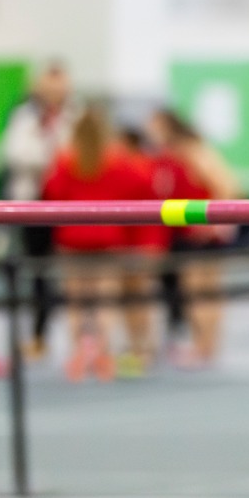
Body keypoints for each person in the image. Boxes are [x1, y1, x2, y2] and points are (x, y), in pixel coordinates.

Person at [41, 104, 157, 382]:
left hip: (73, 243)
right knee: (105, 303)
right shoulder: (119, 163)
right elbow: (142, 189)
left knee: (76, 304)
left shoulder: (66, 162)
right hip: (106, 243)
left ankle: (78, 356)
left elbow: (51, 193)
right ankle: (102, 356)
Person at [148, 108, 243, 367]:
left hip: (201, 234)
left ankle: (205, 347)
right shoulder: (171, 155)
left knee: (201, 291)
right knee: (202, 292)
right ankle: (205, 346)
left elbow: (229, 185)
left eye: (154, 126)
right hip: (187, 231)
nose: (150, 131)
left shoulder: (194, 151)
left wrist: (215, 222)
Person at [2, 61, 76, 360]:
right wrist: (51, 157)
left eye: (60, 86)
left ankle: (82, 342)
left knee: (74, 274)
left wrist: (56, 160)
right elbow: (15, 154)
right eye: (48, 86)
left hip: (68, 205)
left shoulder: (76, 115)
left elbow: (78, 155)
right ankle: (38, 335)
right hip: (32, 204)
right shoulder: (23, 116)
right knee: (37, 273)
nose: (54, 92)